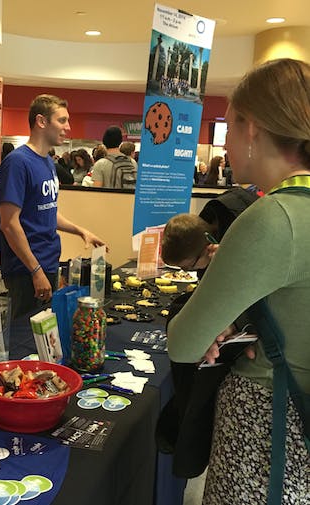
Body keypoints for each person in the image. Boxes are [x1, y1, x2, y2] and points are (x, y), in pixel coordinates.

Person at [167, 58, 310, 504]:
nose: (225, 144)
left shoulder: (273, 218)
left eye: (228, 127)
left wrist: (213, 329)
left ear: (253, 127)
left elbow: (184, 342)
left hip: (267, 426)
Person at [0, 94, 106, 318]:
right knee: (26, 340)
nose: (68, 127)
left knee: (44, 338)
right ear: (41, 121)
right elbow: (9, 224)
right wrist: (35, 270)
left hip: (47, 262)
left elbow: (46, 212)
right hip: (26, 269)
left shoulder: (47, 161)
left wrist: (80, 231)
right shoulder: (17, 162)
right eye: (62, 120)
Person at [161, 187, 259, 271]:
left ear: (209, 250)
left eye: (187, 267)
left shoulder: (247, 230)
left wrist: (226, 262)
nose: (186, 272)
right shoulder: (205, 223)